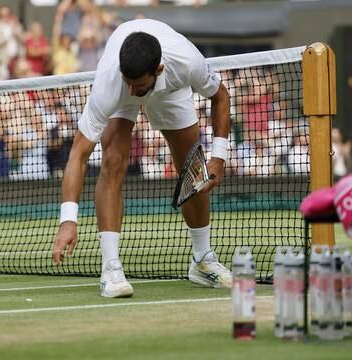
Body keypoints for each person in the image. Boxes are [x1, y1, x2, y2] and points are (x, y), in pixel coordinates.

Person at [52, 19, 232, 298]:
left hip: (171, 88)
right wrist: (68, 220)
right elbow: (78, 153)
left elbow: (221, 96)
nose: (134, 92)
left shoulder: (186, 61)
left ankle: (202, 260)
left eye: (139, 87)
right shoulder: (113, 81)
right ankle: (110, 270)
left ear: (158, 69)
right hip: (125, 82)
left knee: (192, 166)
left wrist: (218, 157)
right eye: (130, 84)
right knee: (112, 161)